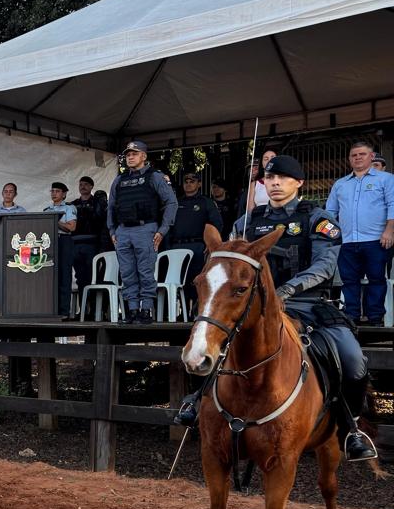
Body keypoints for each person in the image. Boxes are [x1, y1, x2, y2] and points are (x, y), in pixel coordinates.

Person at [175, 155, 376, 462]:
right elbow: (227, 267)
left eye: (283, 178)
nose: (276, 183)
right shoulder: (246, 223)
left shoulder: (317, 218)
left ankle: (351, 429)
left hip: (308, 305)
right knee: (208, 338)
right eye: (270, 179)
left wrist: (286, 290)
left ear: (299, 184)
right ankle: (195, 399)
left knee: (352, 357)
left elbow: (324, 265)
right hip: (255, 307)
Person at [107, 140, 177, 324]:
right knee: (127, 273)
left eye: (134, 154)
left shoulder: (155, 177)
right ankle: (131, 311)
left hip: (146, 229)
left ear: (144, 156)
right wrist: (112, 230)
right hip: (123, 231)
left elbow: (171, 203)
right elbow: (111, 207)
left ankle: (146, 310)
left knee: (145, 272)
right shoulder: (119, 180)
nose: (130, 157)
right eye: (128, 154)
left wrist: (162, 230)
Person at [327, 140, 394, 325]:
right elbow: (330, 213)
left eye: (362, 154)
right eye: (354, 155)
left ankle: (375, 319)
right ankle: (351, 317)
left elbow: (393, 205)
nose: (357, 158)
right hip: (347, 241)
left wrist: (389, 231)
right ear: (349, 159)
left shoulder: (386, 179)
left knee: (377, 280)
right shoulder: (340, 184)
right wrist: (333, 237)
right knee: (349, 282)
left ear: (371, 157)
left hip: (377, 240)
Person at [168, 171, 224, 310]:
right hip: (177, 247)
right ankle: (182, 312)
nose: (188, 184)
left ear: (199, 184)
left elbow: (217, 224)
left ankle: (198, 311)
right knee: (179, 281)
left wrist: (211, 243)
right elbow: (169, 225)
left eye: (192, 181)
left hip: (198, 247)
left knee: (198, 281)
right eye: (186, 181)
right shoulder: (176, 202)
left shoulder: (206, 202)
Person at [0, 183, 26, 318]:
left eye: (11, 191)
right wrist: (10, 225)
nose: (8, 193)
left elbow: (25, 229)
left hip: (16, 245)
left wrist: (3, 225)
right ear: (2, 193)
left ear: (15, 194)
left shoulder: (21, 210)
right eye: (5, 191)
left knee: (15, 277)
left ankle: (15, 309)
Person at [68, 176, 107, 316]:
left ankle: (95, 310)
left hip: (92, 244)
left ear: (91, 186)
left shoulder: (98, 203)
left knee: (93, 278)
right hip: (76, 244)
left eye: (86, 184)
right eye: (81, 184)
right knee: (80, 278)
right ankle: (84, 309)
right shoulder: (72, 205)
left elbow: (102, 222)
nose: (83, 186)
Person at [44, 182, 78, 319]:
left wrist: (55, 220)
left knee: (64, 274)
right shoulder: (46, 210)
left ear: (64, 194)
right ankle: (50, 309)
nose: (54, 193)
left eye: (57, 191)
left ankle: (64, 311)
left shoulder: (69, 208)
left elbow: (71, 227)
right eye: (52, 191)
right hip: (50, 242)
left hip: (64, 240)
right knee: (50, 275)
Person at [244, 148, 278, 215]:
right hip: (260, 221)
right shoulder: (254, 184)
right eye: (266, 159)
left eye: (272, 157)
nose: (269, 160)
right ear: (262, 164)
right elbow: (250, 211)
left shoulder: (286, 180)